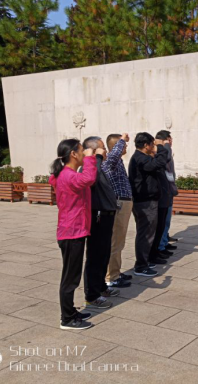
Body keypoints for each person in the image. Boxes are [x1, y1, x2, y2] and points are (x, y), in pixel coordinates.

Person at [49, 139, 98, 331]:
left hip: (73, 231)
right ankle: (67, 318)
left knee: (72, 275)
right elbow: (89, 179)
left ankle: (70, 312)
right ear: (73, 154)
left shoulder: (65, 174)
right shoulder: (68, 176)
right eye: (81, 150)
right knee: (70, 278)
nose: (84, 152)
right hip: (71, 232)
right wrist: (91, 159)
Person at [82, 136, 119, 310]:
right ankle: (92, 295)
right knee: (95, 256)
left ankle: (101, 286)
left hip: (106, 216)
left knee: (104, 254)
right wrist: (95, 158)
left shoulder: (98, 165)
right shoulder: (88, 167)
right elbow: (92, 178)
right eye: (102, 148)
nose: (105, 151)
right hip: (98, 217)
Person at [129, 132, 169, 277]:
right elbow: (159, 163)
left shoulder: (142, 157)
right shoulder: (140, 158)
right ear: (146, 145)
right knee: (145, 234)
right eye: (152, 144)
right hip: (145, 202)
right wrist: (161, 147)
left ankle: (145, 260)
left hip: (147, 200)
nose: (154, 147)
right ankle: (141, 266)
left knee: (148, 233)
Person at [103, 133, 134, 289]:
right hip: (119, 203)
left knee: (119, 241)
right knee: (116, 241)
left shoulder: (118, 161)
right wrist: (122, 140)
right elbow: (113, 157)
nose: (126, 146)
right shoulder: (110, 161)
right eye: (123, 145)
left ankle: (116, 271)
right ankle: (111, 277)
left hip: (124, 202)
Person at [155, 130, 179, 255]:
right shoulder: (162, 151)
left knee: (167, 220)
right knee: (163, 220)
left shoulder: (165, 150)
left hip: (169, 189)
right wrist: (166, 146)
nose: (171, 142)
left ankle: (164, 242)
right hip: (164, 191)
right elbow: (166, 158)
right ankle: (160, 245)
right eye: (170, 140)